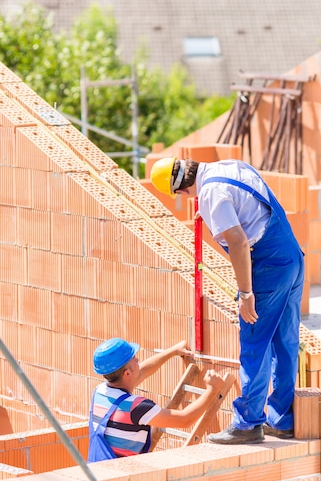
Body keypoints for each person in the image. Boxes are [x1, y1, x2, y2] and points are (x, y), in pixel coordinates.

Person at [150, 157, 305, 444]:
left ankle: (247, 424)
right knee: (285, 340)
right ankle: (281, 420)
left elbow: (239, 242)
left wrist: (246, 294)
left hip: (268, 266)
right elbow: (249, 206)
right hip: (291, 256)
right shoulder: (230, 167)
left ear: (182, 192)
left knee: (255, 342)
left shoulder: (210, 195)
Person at [88, 337, 223, 461]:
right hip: (121, 480)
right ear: (127, 373)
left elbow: (141, 372)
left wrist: (173, 351)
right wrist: (212, 390)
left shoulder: (99, 393)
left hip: (96, 473)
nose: (138, 360)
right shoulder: (137, 407)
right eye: (134, 358)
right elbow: (184, 419)